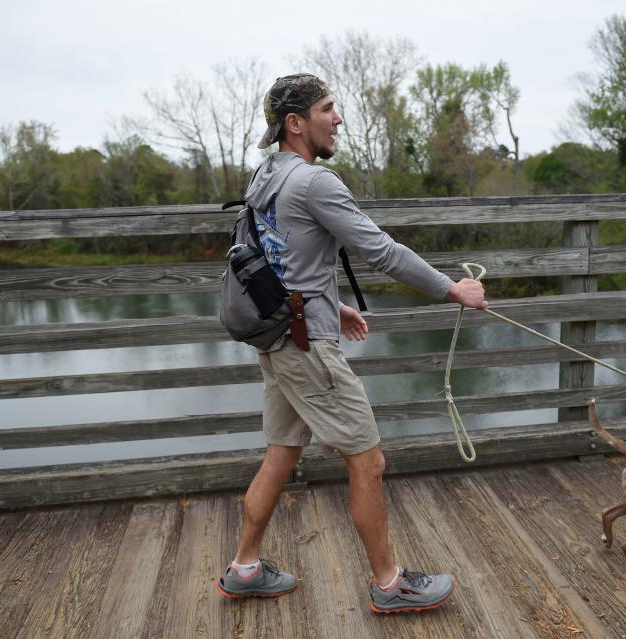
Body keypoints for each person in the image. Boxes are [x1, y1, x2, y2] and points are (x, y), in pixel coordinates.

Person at [216, 73, 488, 613]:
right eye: (327, 108)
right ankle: (390, 585)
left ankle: (245, 568)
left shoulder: (266, 175)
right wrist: (452, 288)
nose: (337, 118)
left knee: (281, 452)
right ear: (296, 124)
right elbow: (382, 252)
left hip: (278, 339)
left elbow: (276, 256)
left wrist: (328, 301)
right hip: (307, 346)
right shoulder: (317, 182)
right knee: (367, 460)